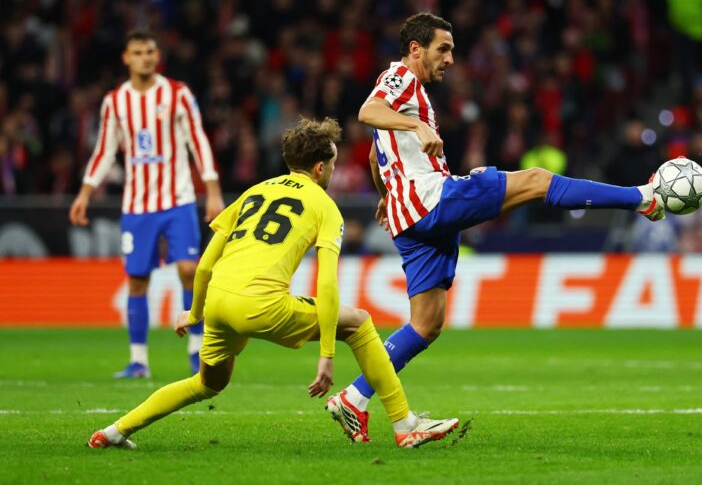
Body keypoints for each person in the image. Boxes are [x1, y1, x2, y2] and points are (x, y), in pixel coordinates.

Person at [327, 13, 666, 441]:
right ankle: (642, 197)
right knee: (538, 181)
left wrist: (385, 194)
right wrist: (415, 126)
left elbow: (380, 157)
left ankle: (354, 400)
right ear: (416, 49)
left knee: (426, 323)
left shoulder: (416, 97)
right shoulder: (399, 77)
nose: (450, 58)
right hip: (432, 200)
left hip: (409, 217)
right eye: (442, 49)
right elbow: (367, 111)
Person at [87, 117, 459, 450]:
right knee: (359, 322)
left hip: (217, 302)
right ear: (319, 167)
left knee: (206, 384)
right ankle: (404, 424)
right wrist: (327, 355)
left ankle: (116, 430)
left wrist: (195, 313)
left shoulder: (254, 192)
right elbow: (326, 283)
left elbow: (203, 266)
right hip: (260, 304)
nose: (333, 170)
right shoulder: (324, 205)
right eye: (332, 163)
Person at [69, 30, 225, 378]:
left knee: (189, 270)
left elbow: (198, 141)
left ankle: (196, 350)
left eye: (150, 51)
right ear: (126, 58)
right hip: (137, 205)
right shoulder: (115, 102)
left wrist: (212, 190)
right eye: (138, 52)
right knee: (137, 280)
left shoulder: (177, 94)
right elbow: (105, 150)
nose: (146, 58)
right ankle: (139, 361)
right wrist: (84, 193)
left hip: (178, 199)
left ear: (158, 56)